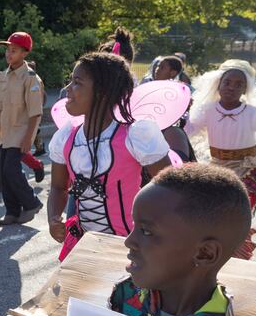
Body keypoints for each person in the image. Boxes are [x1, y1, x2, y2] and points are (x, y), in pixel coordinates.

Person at [47, 52, 171, 260]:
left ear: (102, 92)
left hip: (130, 248)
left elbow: (170, 189)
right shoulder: (66, 137)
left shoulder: (135, 135)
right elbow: (59, 187)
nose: (67, 89)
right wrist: (53, 218)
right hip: (83, 244)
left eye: (77, 82)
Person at [112, 163, 250, 316]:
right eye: (134, 226)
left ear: (205, 254)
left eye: (146, 231)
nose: (128, 241)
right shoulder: (122, 298)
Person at [185, 59, 256, 259]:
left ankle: (239, 251)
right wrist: (180, 116)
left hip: (248, 169)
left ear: (245, 90)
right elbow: (188, 131)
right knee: (216, 213)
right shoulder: (207, 110)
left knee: (238, 212)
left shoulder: (253, 113)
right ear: (218, 84)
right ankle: (218, 249)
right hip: (218, 168)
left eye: (239, 84)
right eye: (227, 82)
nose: (232, 88)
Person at [0, 32, 45, 226]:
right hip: (6, 133)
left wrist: (28, 139)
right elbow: (0, 107)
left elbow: (35, 113)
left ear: (24, 53)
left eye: (13, 50)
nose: (9, 53)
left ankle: (31, 203)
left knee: (11, 170)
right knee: (2, 172)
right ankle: (12, 212)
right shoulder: (4, 75)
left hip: (21, 132)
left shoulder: (31, 78)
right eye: (8, 49)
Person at [0, 72, 44, 194]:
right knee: (2, 158)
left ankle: (37, 167)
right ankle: (2, 184)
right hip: (4, 134)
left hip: (15, 132)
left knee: (19, 156)